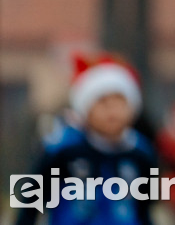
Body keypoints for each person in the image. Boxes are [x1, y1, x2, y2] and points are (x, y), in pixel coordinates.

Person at [15, 53, 158, 225]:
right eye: (102, 102)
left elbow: (144, 208)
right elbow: (32, 201)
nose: (112, 111)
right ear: (86, 108)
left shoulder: (140, 153)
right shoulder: (64, 150)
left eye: (119, 101)